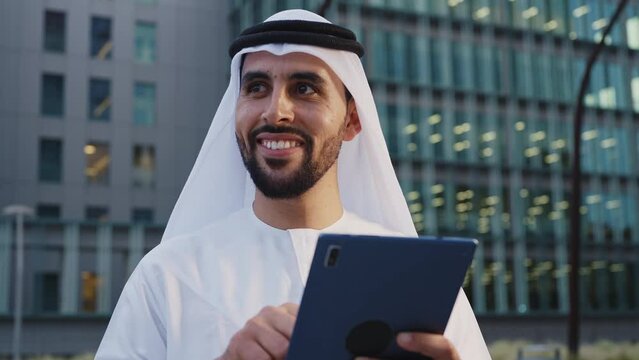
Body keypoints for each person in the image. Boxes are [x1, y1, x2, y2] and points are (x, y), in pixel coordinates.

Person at [95, 9, 491, 360]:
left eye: (305, 88)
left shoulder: (418, 279)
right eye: (256, 88)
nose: (275, 111)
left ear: (352, 120)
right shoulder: (168, 275)